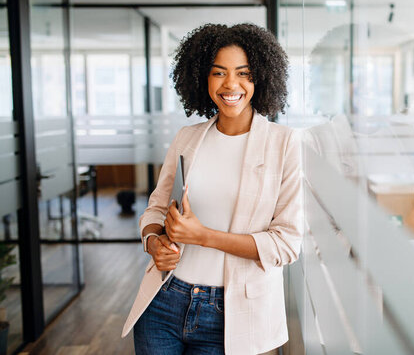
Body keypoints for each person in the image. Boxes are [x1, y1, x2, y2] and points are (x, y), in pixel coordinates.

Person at [121, 23, 303, 355]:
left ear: (260, 78)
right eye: (219, 73)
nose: (230, 84)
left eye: (243, 73)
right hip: (165, 300)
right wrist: (152, 240)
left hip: (231, 314)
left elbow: (287, 244)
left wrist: (204, 236)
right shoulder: (187, 138)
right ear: (203, 78)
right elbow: (158, 208)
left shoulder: (284, 144)